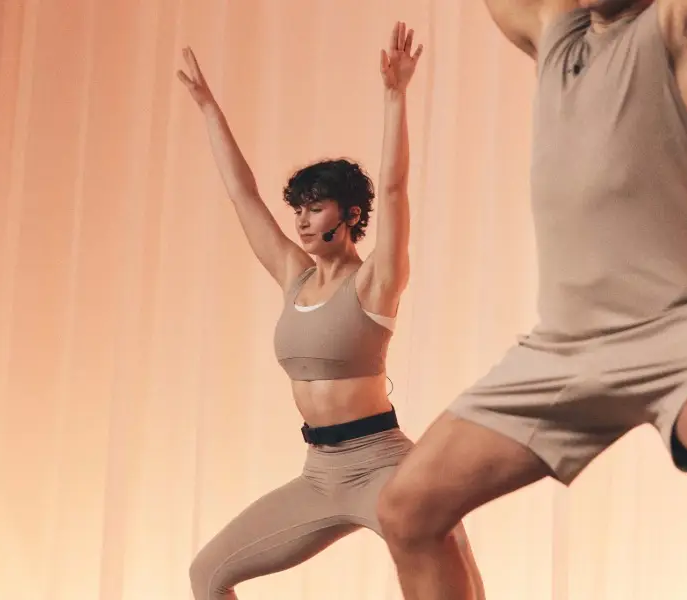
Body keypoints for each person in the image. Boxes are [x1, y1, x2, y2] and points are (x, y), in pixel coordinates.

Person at [375, 1, 687, 599]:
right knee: (408, 511)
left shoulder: (679, 28)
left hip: (682, 327)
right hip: (564, 346)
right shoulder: (557, 32)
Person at [177, 22, 485, 600]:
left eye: (315, 209)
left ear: (348, 216)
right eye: (299, 210)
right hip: (320, 475)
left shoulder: (377, 282)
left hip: (385, 468)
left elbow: (394, 191)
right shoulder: (293, 277)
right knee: (209, 575)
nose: (300, 220)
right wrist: (209, 109)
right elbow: (243, 195)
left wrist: (395, 98)